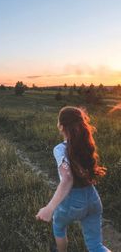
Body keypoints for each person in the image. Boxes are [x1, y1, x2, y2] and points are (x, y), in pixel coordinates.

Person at [36, 106, 110, 252]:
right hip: (93, 198)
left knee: (58, 225)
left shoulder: (59, 149)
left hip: (73, 202)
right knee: (96, 245)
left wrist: (49, 208)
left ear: (61, 126)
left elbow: (68, 178)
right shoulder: (87, 144)